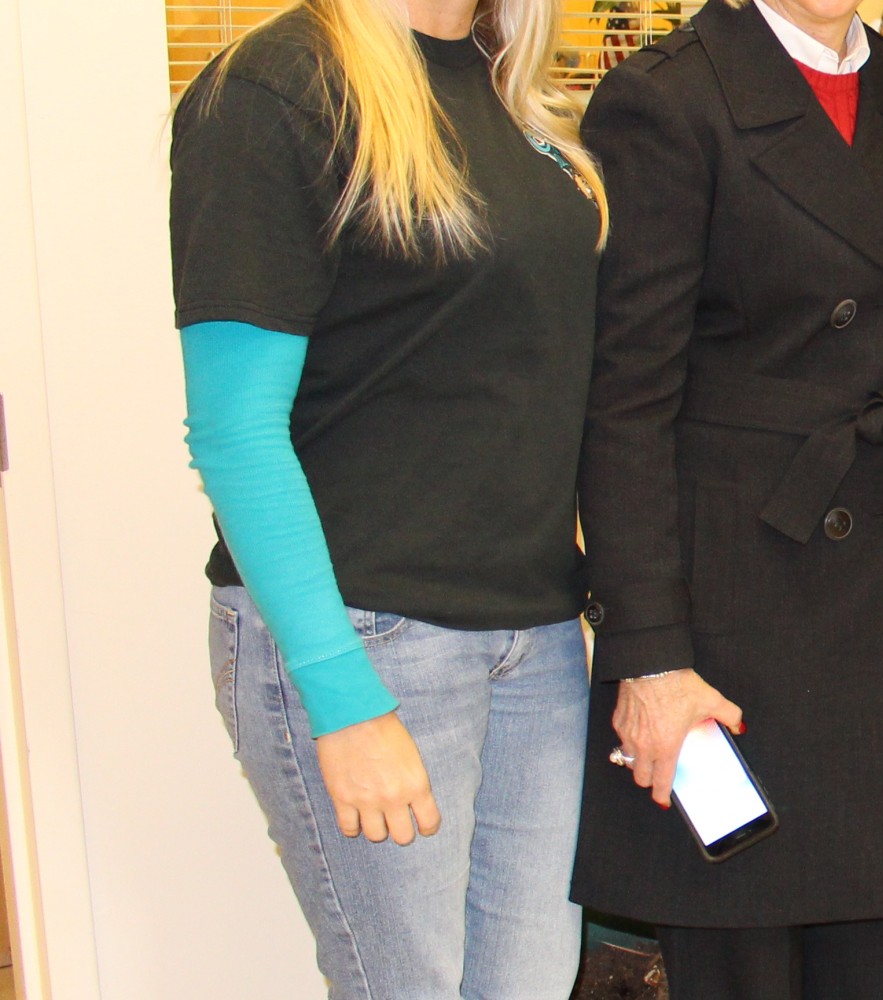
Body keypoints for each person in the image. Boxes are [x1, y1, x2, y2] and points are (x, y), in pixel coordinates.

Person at [170, 0, 604, 995]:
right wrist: (342, 696)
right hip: (368, 635)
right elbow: (235, 433)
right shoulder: (279, 90)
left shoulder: (512, 95)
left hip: (534, 640)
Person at [568, 1, 883, 996]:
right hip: (731, 612)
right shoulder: (666, 99)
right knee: (739, 960)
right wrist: (650, 656)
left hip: (881, 578)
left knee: (875, 965)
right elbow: (623, 407)